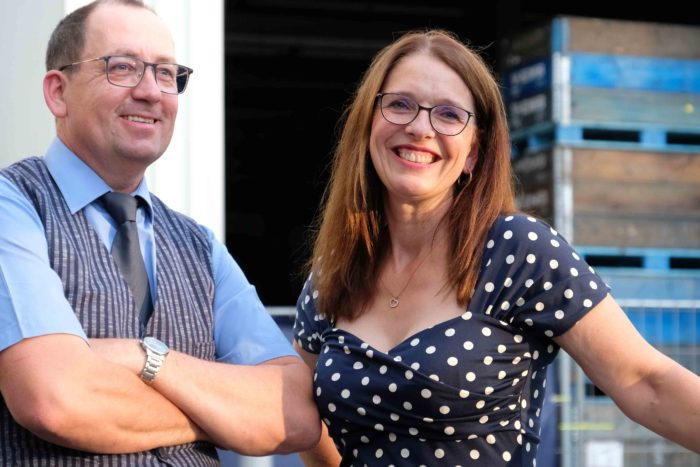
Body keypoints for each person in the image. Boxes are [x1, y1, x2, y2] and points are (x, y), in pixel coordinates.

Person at [292, 28, 700, 466]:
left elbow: (646, 382)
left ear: (473, 152)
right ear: (369, 123)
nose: (419, 127)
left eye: (448, 114)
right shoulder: (334, 271)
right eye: (400, 104)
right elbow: (304, 417)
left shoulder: (517, 250)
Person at [0, 0, 320, 465]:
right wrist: (220, 415)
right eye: (122, 67)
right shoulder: (13, 207)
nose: (151, 91)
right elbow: (54, 400)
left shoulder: (199, 246)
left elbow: (295, 415)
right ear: (58, 92)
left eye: (166, 73)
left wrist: (147, 358)